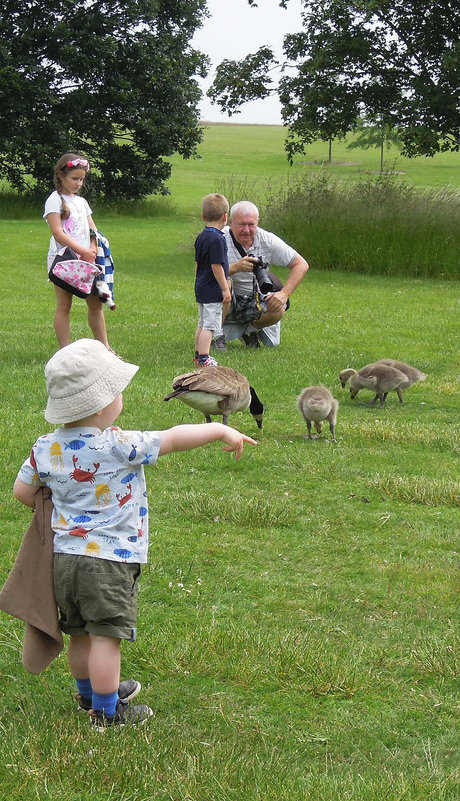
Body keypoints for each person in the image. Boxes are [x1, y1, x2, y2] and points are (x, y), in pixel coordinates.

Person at [13, 339, 257, 730]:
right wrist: (218, 433)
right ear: (100, 405)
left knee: (79, 634)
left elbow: (23, 493)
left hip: (64, 561)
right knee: (106, 637)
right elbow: (174, 437)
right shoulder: (120, 445)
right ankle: (107, 713)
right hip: (109, 563)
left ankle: (88, 696)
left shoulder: (44, 447)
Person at [215, 200, 309, 348]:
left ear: (258, 222)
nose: (246, 230)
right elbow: (201, 272)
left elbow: (301, 264)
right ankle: (217, 336)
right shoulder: (218, 238)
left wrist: (284, 294)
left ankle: (249, 331)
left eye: (251, 224)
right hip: (226, 299)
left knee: (278, 310)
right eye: (241, 224)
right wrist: (235, 268)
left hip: (254, 299)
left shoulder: (267, 240)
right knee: (224, 283)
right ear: (230, 222)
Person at [44, 153, 109, 349]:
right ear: (61, 176)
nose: (78, 183)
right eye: (74, 179)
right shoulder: (54, 200)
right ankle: (64, 350)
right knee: (65, 305)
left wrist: (92, 248)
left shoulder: (82, 202)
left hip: (88, 260)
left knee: (96, 305)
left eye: (81, 179)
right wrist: (81, 250)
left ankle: (105, 348)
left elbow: (93, 230)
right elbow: (57, 232)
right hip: (65, 260)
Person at [194, 193, 232, 365]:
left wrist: (198, 280)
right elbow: (216, 266)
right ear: (225, 217)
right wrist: (225, 288)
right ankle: (204, 358)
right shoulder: (218, 239)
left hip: (201, 285)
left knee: (202, 322)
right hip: (212, 288)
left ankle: (198, 354)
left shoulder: (201, 237)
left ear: (203, 216)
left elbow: (197, 263)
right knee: (209, 325)